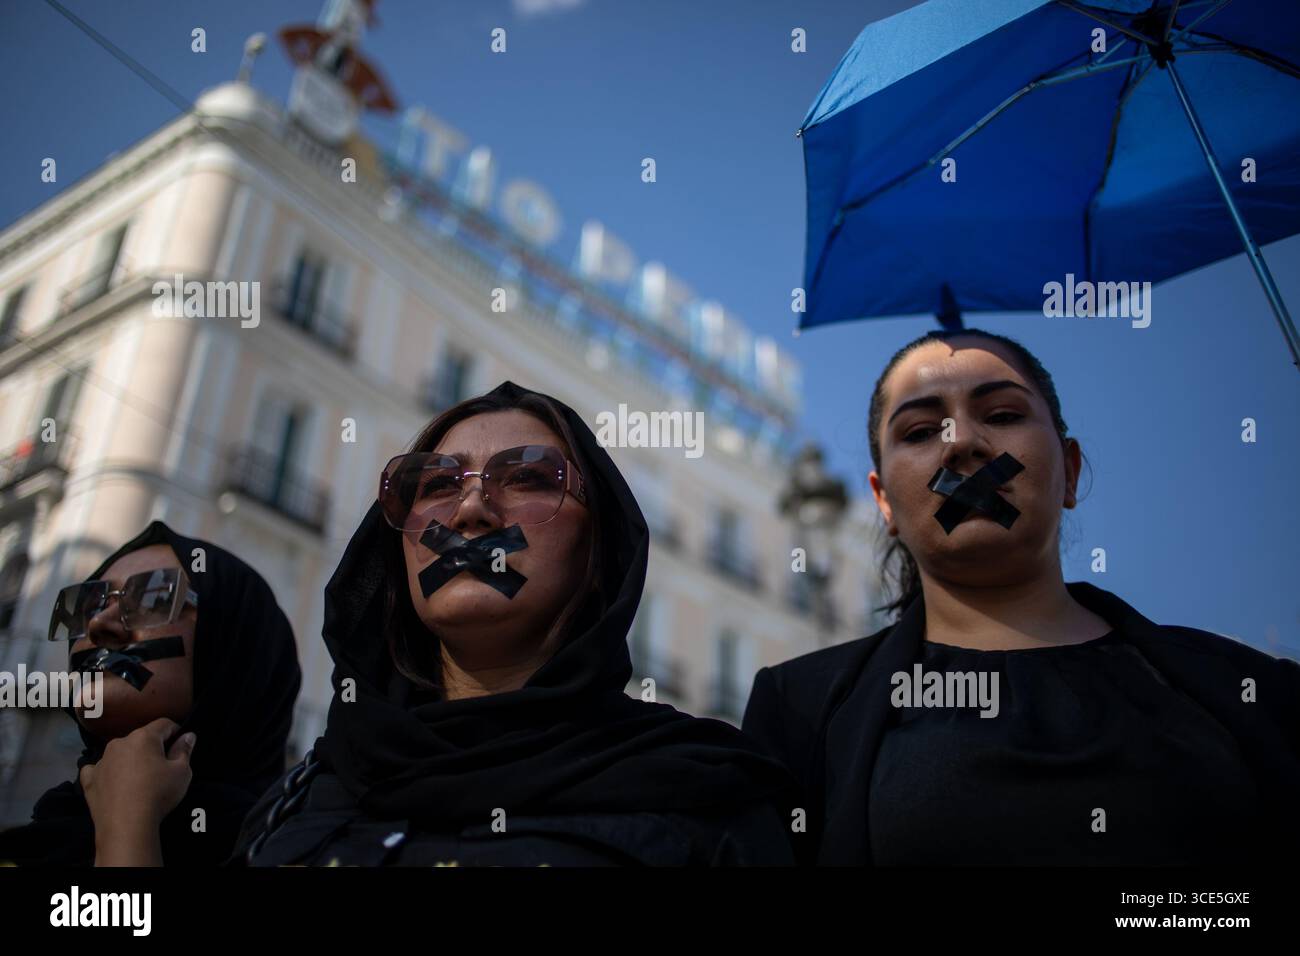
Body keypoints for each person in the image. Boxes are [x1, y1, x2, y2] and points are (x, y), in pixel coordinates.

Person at [743, 329, 1300, 866]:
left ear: (1071, 470)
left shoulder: (1255, 691)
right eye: (918, 432)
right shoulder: (799, 709)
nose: (961, 443)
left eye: (1004, 416)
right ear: (883, 501)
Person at [235, 380, 799, 866]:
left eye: (528, 479)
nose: (470, 511)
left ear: (599, 556)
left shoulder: (706, 795)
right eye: (435, 485)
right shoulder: (305, 794)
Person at [0, 521, 301, 866]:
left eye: (152, 597)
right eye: (90, 605)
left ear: (237, 649)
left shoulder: (305, 852)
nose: (100, 625)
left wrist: (128, 829)